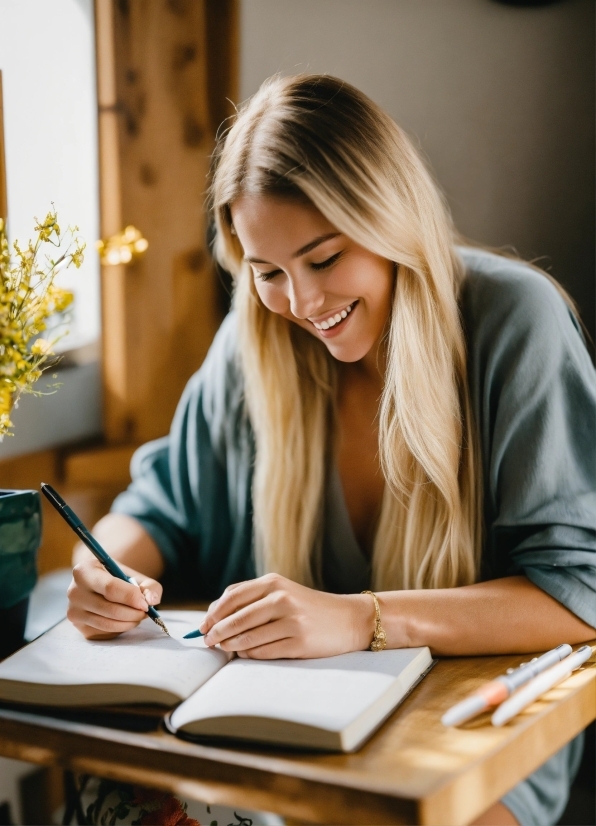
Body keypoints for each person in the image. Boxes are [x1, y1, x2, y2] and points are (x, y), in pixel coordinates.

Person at [67, 75, 595, 825]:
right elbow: (157, 511)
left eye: (323, 258)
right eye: (267, 271)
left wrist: (359, 619)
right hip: (276, 739)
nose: (303, 304)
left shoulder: (516, 322)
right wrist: (105, 572)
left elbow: (579, 591)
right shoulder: (255, 339)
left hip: (466, 744)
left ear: (388, 219)